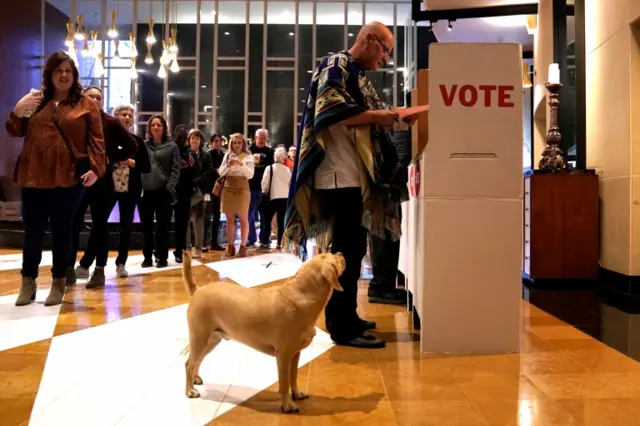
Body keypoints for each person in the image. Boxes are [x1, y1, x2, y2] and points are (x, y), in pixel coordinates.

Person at [283, 22, 415, 348]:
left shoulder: (352, 72)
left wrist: (388, 117)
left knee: (353, 251)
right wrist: (385, 117)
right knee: (346, 252)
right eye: (385, 49)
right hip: (339, 176)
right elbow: (332, 110)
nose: (386, 58)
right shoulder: (336, 64)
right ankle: (341, 326)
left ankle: (348, 316)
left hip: (349, 175)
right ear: (368, 40)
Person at [7, 51, 105, 306]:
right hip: (33, 175)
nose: (63, 75)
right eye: (58, 70)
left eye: (68, 71)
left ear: (74, 75)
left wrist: (96, 169)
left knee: (62, 231)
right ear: (49, 74)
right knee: (33, 232)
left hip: (68, 176)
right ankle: (27, 282)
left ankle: (59, 280)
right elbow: (14, 130)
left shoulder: (86, 104)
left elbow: (97, 141)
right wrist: (18, 110)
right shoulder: (36, 101)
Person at [67, 87, 138, 288]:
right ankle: (69, 269)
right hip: (78, 178)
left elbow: (132, 146)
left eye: (99, 97)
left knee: (100, 225)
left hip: (103, 178)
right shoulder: (76, 119)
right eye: (91, 96)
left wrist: (111, 158)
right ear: (84, 98)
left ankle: (99, 271)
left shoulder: (111, 122)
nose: (95, 99)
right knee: (73, 223)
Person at [74, 103, 151, 279]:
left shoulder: (137, 141)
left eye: (129, 115)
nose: (126, 118)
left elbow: (146, 167)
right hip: (107, 186)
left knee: (126, 226)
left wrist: (133, 163)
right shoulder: (104, 138)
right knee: (99, 224)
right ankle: (86, 262)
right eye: (122, 114)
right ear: (115, 117)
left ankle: (121, 263)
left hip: (130, 189)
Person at [139, 115, 180, 268]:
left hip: (163, 191)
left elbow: (176, 168)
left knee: (163, 226)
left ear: (163, 128)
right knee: (146, 227)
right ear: (149, 128)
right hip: (146, 192)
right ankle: (147, 257)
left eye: (158, 125)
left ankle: (162, 257)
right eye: (153, 125)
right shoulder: (143, 145)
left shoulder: (172, 146)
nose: (155, 127)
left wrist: (170, 185)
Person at [219, 133, 254, 257]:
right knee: (229, 219)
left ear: (243, 143)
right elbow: (221, 172)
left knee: (244, 218)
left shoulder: (249, 156)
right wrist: (229, 165)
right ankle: (230, 246)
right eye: (234, 142)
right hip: (228, 186)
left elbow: (250, 175)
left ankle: (243, 246)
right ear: (231, 144)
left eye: (239, 142)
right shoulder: (227, 155)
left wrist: (241, 164)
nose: (237, 145)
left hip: (243, 186)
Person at [188, 129, 214, 258]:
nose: (194, 140)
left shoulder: (206, 155)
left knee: (198, 221)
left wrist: (197, 181)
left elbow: (209, 171)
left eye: (197, 138)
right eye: (192, 138)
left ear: (201, 140)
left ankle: (198, 248)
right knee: (186, 221)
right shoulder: (184, 153)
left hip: (200, 190)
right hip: (186, 190)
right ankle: (187, 249)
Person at [172, 124, 196, 263]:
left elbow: (194, 173)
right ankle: (161, 251)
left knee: (182, 223)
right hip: (169, 190)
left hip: (185, 192)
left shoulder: (190, 153)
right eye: (179, 136)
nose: (181, 139)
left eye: (183, 136)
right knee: (164, 222)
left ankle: (179, 251)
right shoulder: (169, 149)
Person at [247, 129, 274, 248]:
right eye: (260, 137)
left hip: (265, 188)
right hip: (250, 186)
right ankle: (251, 238)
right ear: (255, 137)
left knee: (265, 215)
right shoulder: (248, 151)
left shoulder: (270, 152)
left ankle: (264, 238)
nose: (262, 140)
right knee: (249, 213)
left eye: (264, 138)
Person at [261, 147, 291, 250]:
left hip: (272, 197)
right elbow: (290, 183)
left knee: (267, 220)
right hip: (285, 197)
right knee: (281, 221)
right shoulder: (287, 169)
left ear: (274, 157)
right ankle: (280, 243)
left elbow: (264, 183)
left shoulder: (269, 168)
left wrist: (264, 192)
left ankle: (265, 241)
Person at [203, 134, 225, 251]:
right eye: (215, 141)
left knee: (217, 215)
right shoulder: (207, 154)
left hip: (220, 188)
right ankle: (204, 242)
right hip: (209, 189)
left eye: (219, 141)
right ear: (211, 143)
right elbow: (208, 170)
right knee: (207, 216)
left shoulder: (223, 155)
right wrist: (217, 171)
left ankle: (214, 242)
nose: (217, 143)